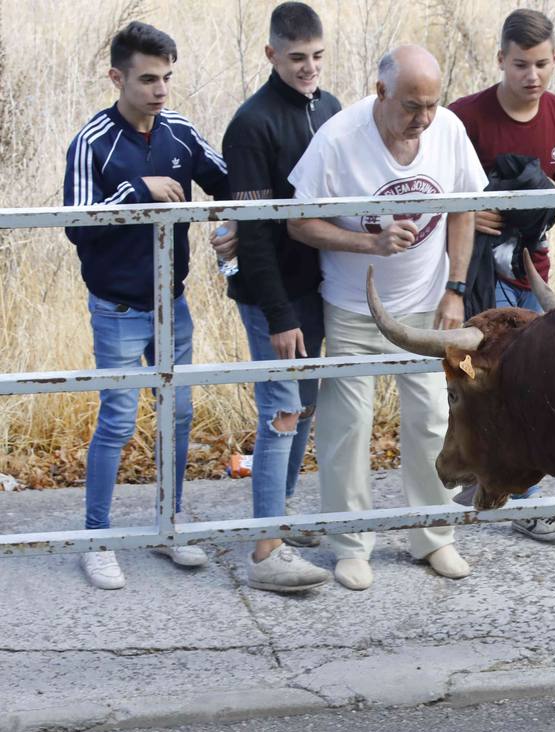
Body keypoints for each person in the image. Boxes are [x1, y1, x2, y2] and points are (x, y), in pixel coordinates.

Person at [288, 45, 487, 591]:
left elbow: (462, 207)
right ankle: (351, 544)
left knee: (431, 421)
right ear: (380, 93)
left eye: (431, 104)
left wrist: (455, 289)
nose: (422, 119)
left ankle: (434, 535)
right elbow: (298, 222)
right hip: (355, 307)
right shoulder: (339, 138)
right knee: (346, 427)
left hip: (427, 303)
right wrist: (368, 242)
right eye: (410, 107)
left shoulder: (447, 130)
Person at [63, 21, 235, 590]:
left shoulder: (180, 131)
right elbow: (77, 226)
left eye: (166, 78)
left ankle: (169, 522)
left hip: (173, 302)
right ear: (117, 77)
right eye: (147, 79)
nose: (160, 90)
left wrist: (235, 221)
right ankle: (97, 537)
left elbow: (229, 180)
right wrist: (139, 191)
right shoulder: (92, 141)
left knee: (178, 413)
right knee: (117, 419)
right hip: (116, 307)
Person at [447, 7, 555, 544]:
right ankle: (473, 471)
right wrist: (469, 210)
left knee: (524, 381)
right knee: (465, 376)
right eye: (521, 64)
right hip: (466, 272)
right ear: (500, 59)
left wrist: (538, 196)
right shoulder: (465, 116)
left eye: (542, 65)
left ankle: (517, 493)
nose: (533, 76)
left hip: (531, 270)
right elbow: (433, 186)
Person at [221, 2, 338, 590]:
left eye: (317, 56)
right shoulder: (251, 124)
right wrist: (278, 314)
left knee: (306, 407)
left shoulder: (333, 109)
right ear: (271, 55)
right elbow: (255, 232)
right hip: (273, 296)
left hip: (318, 289)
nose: (309, 67)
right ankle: (267, 550)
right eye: (296, 58)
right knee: (282, 412)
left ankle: (282, 517)